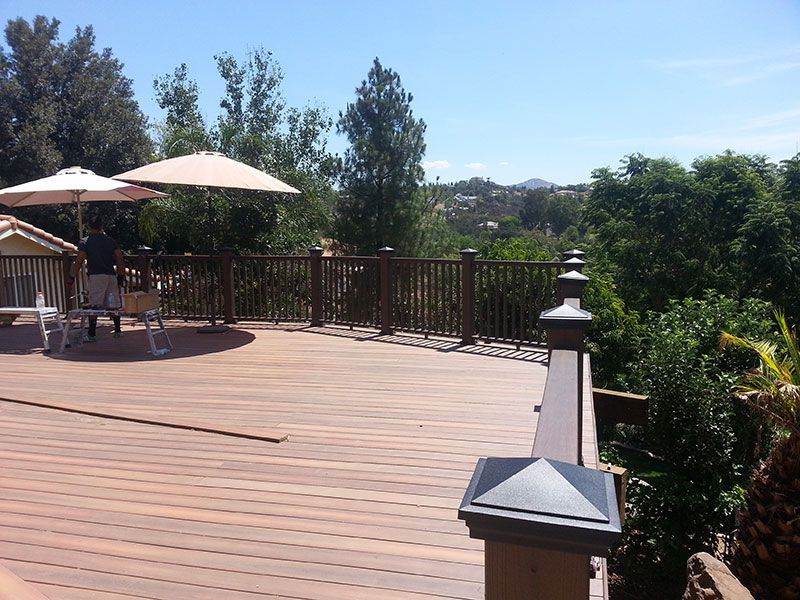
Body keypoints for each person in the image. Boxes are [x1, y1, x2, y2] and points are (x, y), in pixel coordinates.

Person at [68, 215, 126, 342]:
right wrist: (121, 276)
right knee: (114, 304)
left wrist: (71, 277)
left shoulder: (85, 242)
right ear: (102, 226)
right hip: (111, 276)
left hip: (96, 276)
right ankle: (117, 330)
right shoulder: (110, 241)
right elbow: (120, 258)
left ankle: (92, 334)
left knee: (94, 305)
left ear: (88, 227)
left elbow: (79, 261)